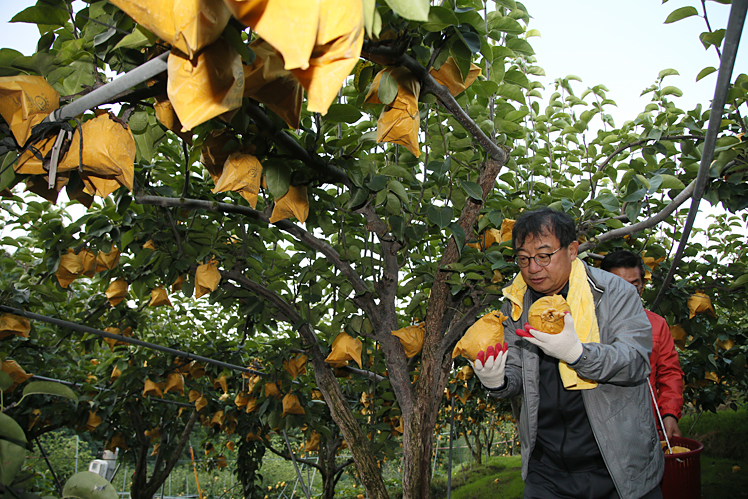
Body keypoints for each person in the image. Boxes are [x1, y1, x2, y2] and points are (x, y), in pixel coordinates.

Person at [471, 207, 663, 499]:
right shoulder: (516, 304)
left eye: (544, 256)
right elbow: (516, 372)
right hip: (547, 469)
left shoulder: (614, 293)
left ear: (572, 250)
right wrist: (497, 381)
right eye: (523, 258)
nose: (533, 268)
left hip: (617, 466)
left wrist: (578, 354)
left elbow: (635, 362)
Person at [600, 250, 684, 441]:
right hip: (600, 426)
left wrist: (669, 414)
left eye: (634, 286)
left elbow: (669, 373)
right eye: (618, 286)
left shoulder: (657, 324)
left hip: (645, 425)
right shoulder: (588, 323)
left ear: (642, 286)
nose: (627, 294)